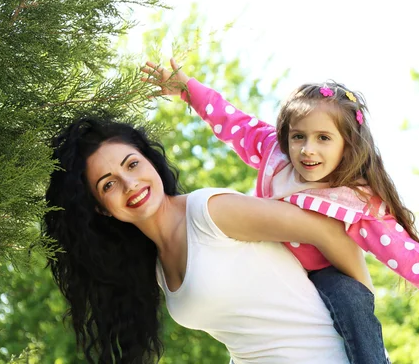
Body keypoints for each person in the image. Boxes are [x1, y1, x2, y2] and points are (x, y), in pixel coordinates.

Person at [141, 58, 419, 364]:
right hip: (270, 263)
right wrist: (188, 89)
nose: (308, 150)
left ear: (346, 145)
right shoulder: (275, 157)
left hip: (324, 274)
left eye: (324, 138)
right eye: (299, 137)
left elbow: (408, 257)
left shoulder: (352, 201)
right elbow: (230, 120)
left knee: (354, 301)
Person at [43, 116, 380, 364]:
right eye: (108, 184)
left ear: (151, 163)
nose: (129, 183)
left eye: (132, 164)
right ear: (101, 210)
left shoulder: (209, 212)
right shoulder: (155, 264)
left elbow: (328, 231)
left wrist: (364, 319)